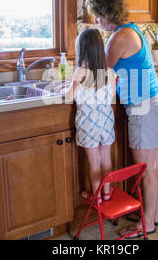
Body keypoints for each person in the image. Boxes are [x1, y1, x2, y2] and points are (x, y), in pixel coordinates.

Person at [85, 0, 158, 238]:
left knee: (148, 168)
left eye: (98, 15)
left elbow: (101, 74)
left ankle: (147, 224)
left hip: (145, 109)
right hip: (155, 102)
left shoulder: (119, 38)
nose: (97, 21)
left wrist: (73, 81)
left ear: (106, 12)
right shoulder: (131, 31)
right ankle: (152, 215)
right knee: (155, 165)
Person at [62, 28, 117, 205]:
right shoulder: (110, 72)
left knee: (94, 162)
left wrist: (67, 87)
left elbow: (69, 97)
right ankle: (107, 192)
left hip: (88, 122)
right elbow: (110, 95)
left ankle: (97, 197)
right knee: (106, 159)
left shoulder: (80, 71)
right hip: (106, 120)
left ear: (82, 50)